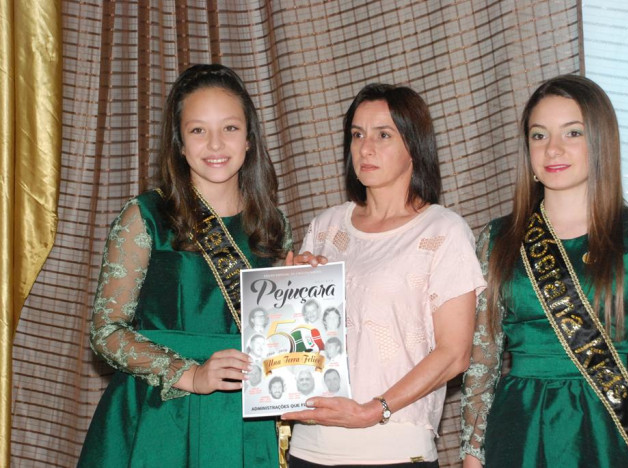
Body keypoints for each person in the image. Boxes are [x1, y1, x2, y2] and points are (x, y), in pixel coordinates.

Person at [460, 74, 628, 468]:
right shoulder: (497, 239)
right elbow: (482, 359)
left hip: (610, 432)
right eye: (539, 135)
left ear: (600, 141)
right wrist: (472, 452)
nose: (553, 148)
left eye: (572, 132)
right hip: (517, 431)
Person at [78, 64, 292, 468]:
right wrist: (189, 374)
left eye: (230, 128)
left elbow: (283, 336)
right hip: (163, 414)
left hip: (247, 419)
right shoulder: (145, 217)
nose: (215, 143)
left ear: (249, 139)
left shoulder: (273, 226)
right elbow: (106, 332)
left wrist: (308, 284)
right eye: (198, 130)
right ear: (179, 143)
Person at [282, 83, 485, 467]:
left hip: (395, 448)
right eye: (357, 134)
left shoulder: (444, 231)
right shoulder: (325, 227)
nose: (365, 148)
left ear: (415, 146)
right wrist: (288, 291)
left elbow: (454, 354)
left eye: (383, 135)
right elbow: (299, 340)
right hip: (309, 446)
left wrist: (373, 410)